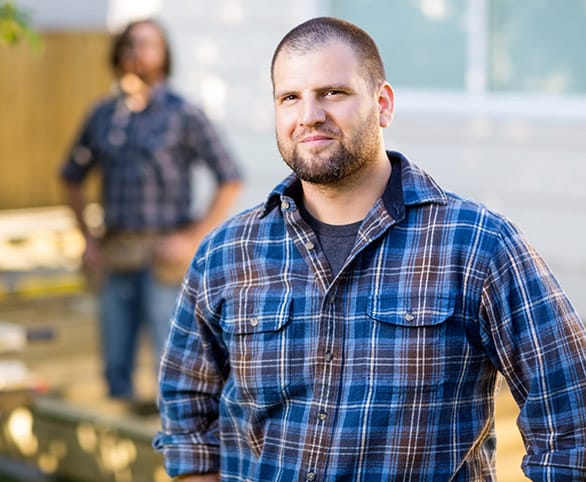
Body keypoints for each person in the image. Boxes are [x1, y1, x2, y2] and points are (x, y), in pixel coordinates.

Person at [154, 16, 586, 481]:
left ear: (382, 105)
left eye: (332, 93)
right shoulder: (227, 253)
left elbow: (571, 412)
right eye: (290, 98)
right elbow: (186, 407)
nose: (309, 115)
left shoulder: (477, 245)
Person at [60, 19, 243, 403]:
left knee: (173, 366)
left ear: (163, 55)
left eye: (147, 45)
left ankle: (179, 454)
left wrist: (193, 238)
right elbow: (70, 176)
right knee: (115, 368)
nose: (136, 53)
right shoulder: (103, 115)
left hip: (165, 259)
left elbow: (230, 177)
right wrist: (87, 239)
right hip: (115, 254)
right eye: (129, 44)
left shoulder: (183, 113)